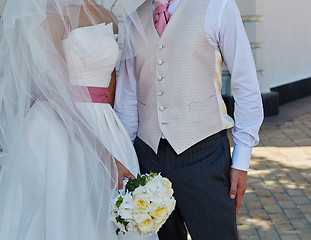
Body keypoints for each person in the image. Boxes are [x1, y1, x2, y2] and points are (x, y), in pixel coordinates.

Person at [0, 0, 158, 239]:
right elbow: (56, 92)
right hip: (55, 130)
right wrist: (103, 155)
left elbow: (110, 82)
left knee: (111, 214)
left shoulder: (108, 16)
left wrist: (112, 136)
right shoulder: (48, 15)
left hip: (105, 125)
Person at [114, 0, 264, 239]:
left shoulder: (218, 6)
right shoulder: (135, 19)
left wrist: (242, 159)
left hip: (204, 156)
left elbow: (245, 82)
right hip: (148, 158)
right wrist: (126, 159)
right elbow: (127, 99)